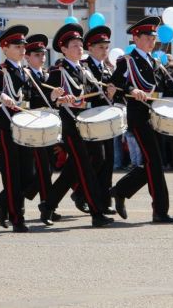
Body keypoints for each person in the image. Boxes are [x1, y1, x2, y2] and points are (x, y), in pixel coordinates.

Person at [108, 17, 173, 222]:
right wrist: (131, 89)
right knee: (155, 163)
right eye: (148, 37)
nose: (153, 41)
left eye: (154, 37)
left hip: (156, 118)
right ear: (136, 38)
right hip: (139, 117)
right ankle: (160, 211)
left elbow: (168, 88)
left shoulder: (156, 62)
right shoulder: (126, 61)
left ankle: (121, 190)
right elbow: (114, 85)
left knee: (154, 163)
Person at [37, 23, 115, 228]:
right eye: (74, 45)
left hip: (86, 123)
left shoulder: (85, 70)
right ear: (63, 49)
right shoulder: (59, 71)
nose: (80, 48)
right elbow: (45, 95)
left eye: (81, 45)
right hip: (70, 125)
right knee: (85, 167)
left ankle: (48, 204)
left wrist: (110, 93)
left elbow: (95, 96)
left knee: (89, 163)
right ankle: (97, 212)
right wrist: (56, 95)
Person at [0, 25, 46, 232]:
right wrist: (0, 96)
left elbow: (34, 97)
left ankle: (4, 202)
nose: (22, 49)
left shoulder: (26, 72)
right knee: (12, 174)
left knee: (28, 175)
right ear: (5, 49)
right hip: (7, 127)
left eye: (23, 45)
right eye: (17, 46)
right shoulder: (0, 70)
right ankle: (18, 218)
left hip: (25, 127)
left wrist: (53, 96)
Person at [21, 33, 62, 220]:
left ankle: (7, 199)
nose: (42, 57)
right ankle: (47, 207)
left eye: (43, 54)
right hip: (32, 127)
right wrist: (51, 98)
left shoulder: (47, 75)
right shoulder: (24, 75)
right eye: (37, 55)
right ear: (27, 57)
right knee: (43, 169)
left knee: (50, 166)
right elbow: (27, 100)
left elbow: (52, 102)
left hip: (48, 126)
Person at [78, 25, 117, 214]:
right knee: (97, 160)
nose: (104, 51)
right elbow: (83, 92)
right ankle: (82, 193)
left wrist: (113, 95)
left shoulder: (107, 69)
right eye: (100, 47)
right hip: (91, 119)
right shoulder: (84, 67)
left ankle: (104, 200)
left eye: (106, 47)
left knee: (108, 160)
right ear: (90, 48)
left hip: (106, 120)